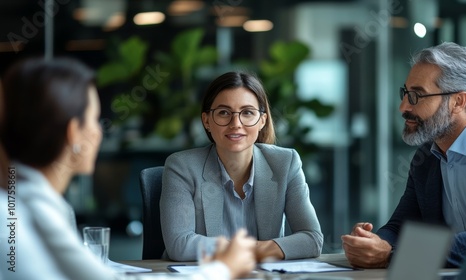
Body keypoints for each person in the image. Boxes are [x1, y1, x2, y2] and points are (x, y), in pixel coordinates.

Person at [0, 57, 256, 280]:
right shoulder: (28, 212)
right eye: (94, 119)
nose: (99, 131)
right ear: (73, 132)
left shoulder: (22, 202)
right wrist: (223, 269)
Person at [341, 42, 466, 268]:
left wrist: (393, 255)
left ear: (458, 102)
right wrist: (373, 243)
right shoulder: (427, 155)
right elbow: (400, 226)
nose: (403, 107)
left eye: (417, 96)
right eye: (405, 93)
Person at [160, 71, 324, 261]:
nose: (236, 124)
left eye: (247, 113)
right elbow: (180, 245)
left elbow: (312, 239)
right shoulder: (182, 167)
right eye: (223, 113)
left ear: (262, 120)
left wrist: (241, 250)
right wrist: (265, 250)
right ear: (206, 121)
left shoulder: (286, 163)